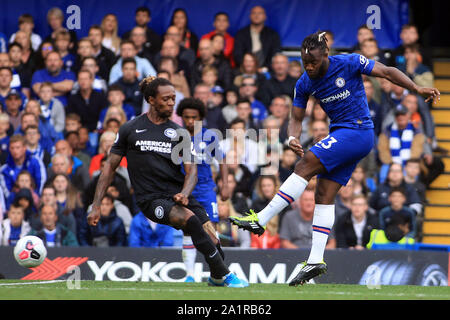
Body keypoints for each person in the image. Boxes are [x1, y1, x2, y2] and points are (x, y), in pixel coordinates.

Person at [229, 30, 440, 286]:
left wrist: (416, 88)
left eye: (314, 62)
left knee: (305, 164)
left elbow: (387, 71)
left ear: (326, 54)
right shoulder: (304, 82)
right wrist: (292, 138)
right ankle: (316, 259)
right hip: (342, 134)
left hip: (359, 131)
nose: (309, 67)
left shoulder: (350, 62)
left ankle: (260, 219)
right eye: (306, 63)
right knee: (323, 194)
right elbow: (296, 118)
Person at [87, 76, 247, 287]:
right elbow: (109, 168)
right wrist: (96, 204)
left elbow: (192, 172)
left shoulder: (179, 133)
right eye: (166, 99)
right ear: (151, 100)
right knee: (189, 220)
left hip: (178, 196)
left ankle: (216, 277)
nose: (171, 103)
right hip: (151, 200)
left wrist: (185, 193)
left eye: (173, 99)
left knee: (214, 241)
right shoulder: (130, 129)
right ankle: (225, 275)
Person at [176, 97, 229, 282]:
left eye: (194, 117)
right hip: (184, 191)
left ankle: (216, 273)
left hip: (206, 189)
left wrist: (225, 185)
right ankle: (189, 275)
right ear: (181, 117)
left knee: (211, 231)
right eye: (186, 117)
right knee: (187, 230)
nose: (190, 121)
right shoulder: (177, 136)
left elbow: (222, 161)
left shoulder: (209, 136)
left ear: (201, 117)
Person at [233, 5, 281, 70]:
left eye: (260, 13)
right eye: (254, 13)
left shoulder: (273, 35)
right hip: (245, 70)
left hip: (267, 71)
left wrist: (265, 69)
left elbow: (275, 54)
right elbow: (237, 55)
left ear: (265, 17)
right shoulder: (241, 34)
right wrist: (249, 69)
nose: (256, 15)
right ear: (250, 16)